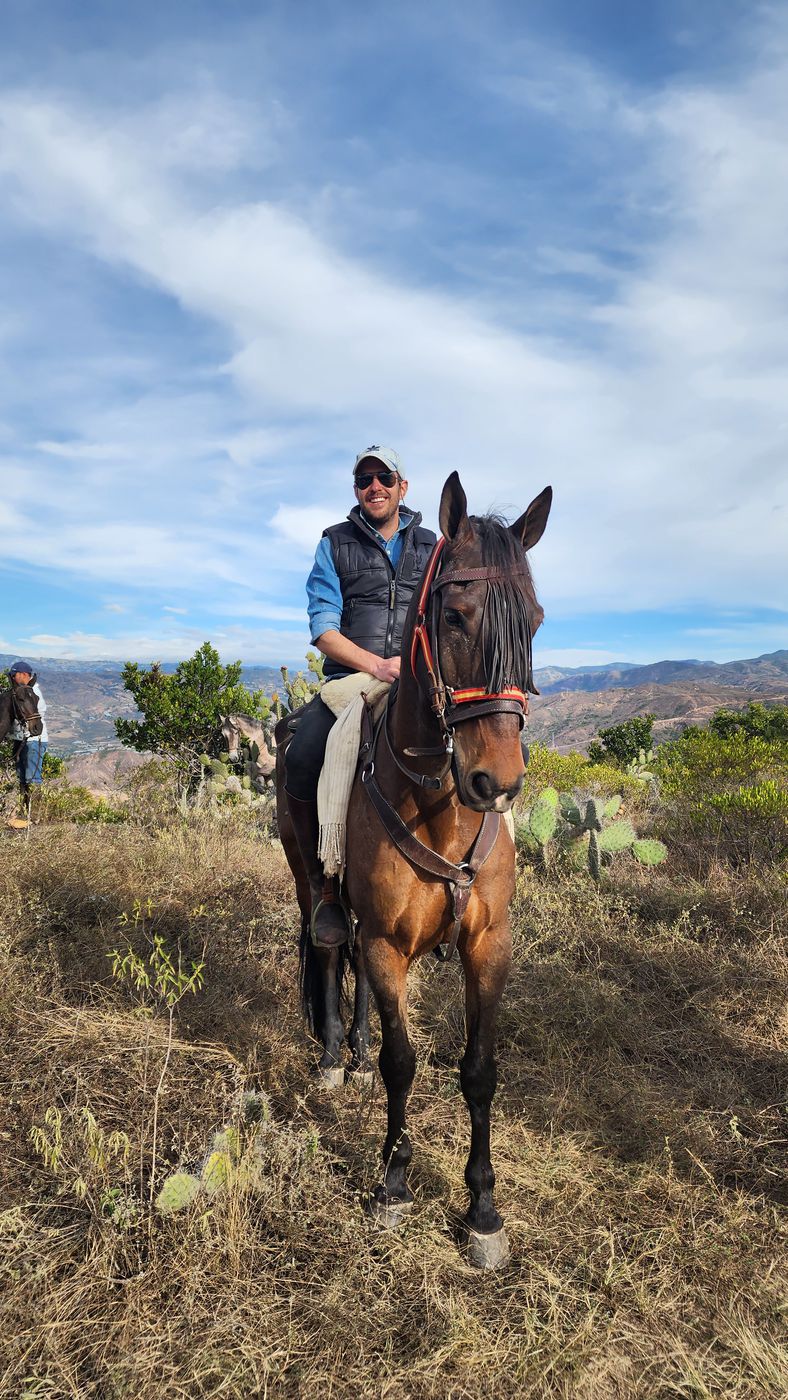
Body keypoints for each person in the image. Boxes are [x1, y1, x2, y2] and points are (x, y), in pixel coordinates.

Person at [285, 445, 436, 947]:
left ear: (402, 486)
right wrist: (377, 665)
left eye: (384, 478)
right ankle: (325, 887)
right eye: (365, 479)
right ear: (356, 488)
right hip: (352, 680)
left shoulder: (432, 546)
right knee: (303, 754)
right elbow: (323, 628)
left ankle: (466, 879)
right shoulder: (334, 543)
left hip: (422, 681)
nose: (375, 486)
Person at [7, 661, 48, 817]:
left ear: (23, 675)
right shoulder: (19, 691)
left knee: (32, 778)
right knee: (22, 778)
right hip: (21, 740)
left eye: (13, 675)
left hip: (33, 741)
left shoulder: (32, 692)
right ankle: (24, 813)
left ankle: (35, 814)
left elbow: (35, 715)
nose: (11, 678)